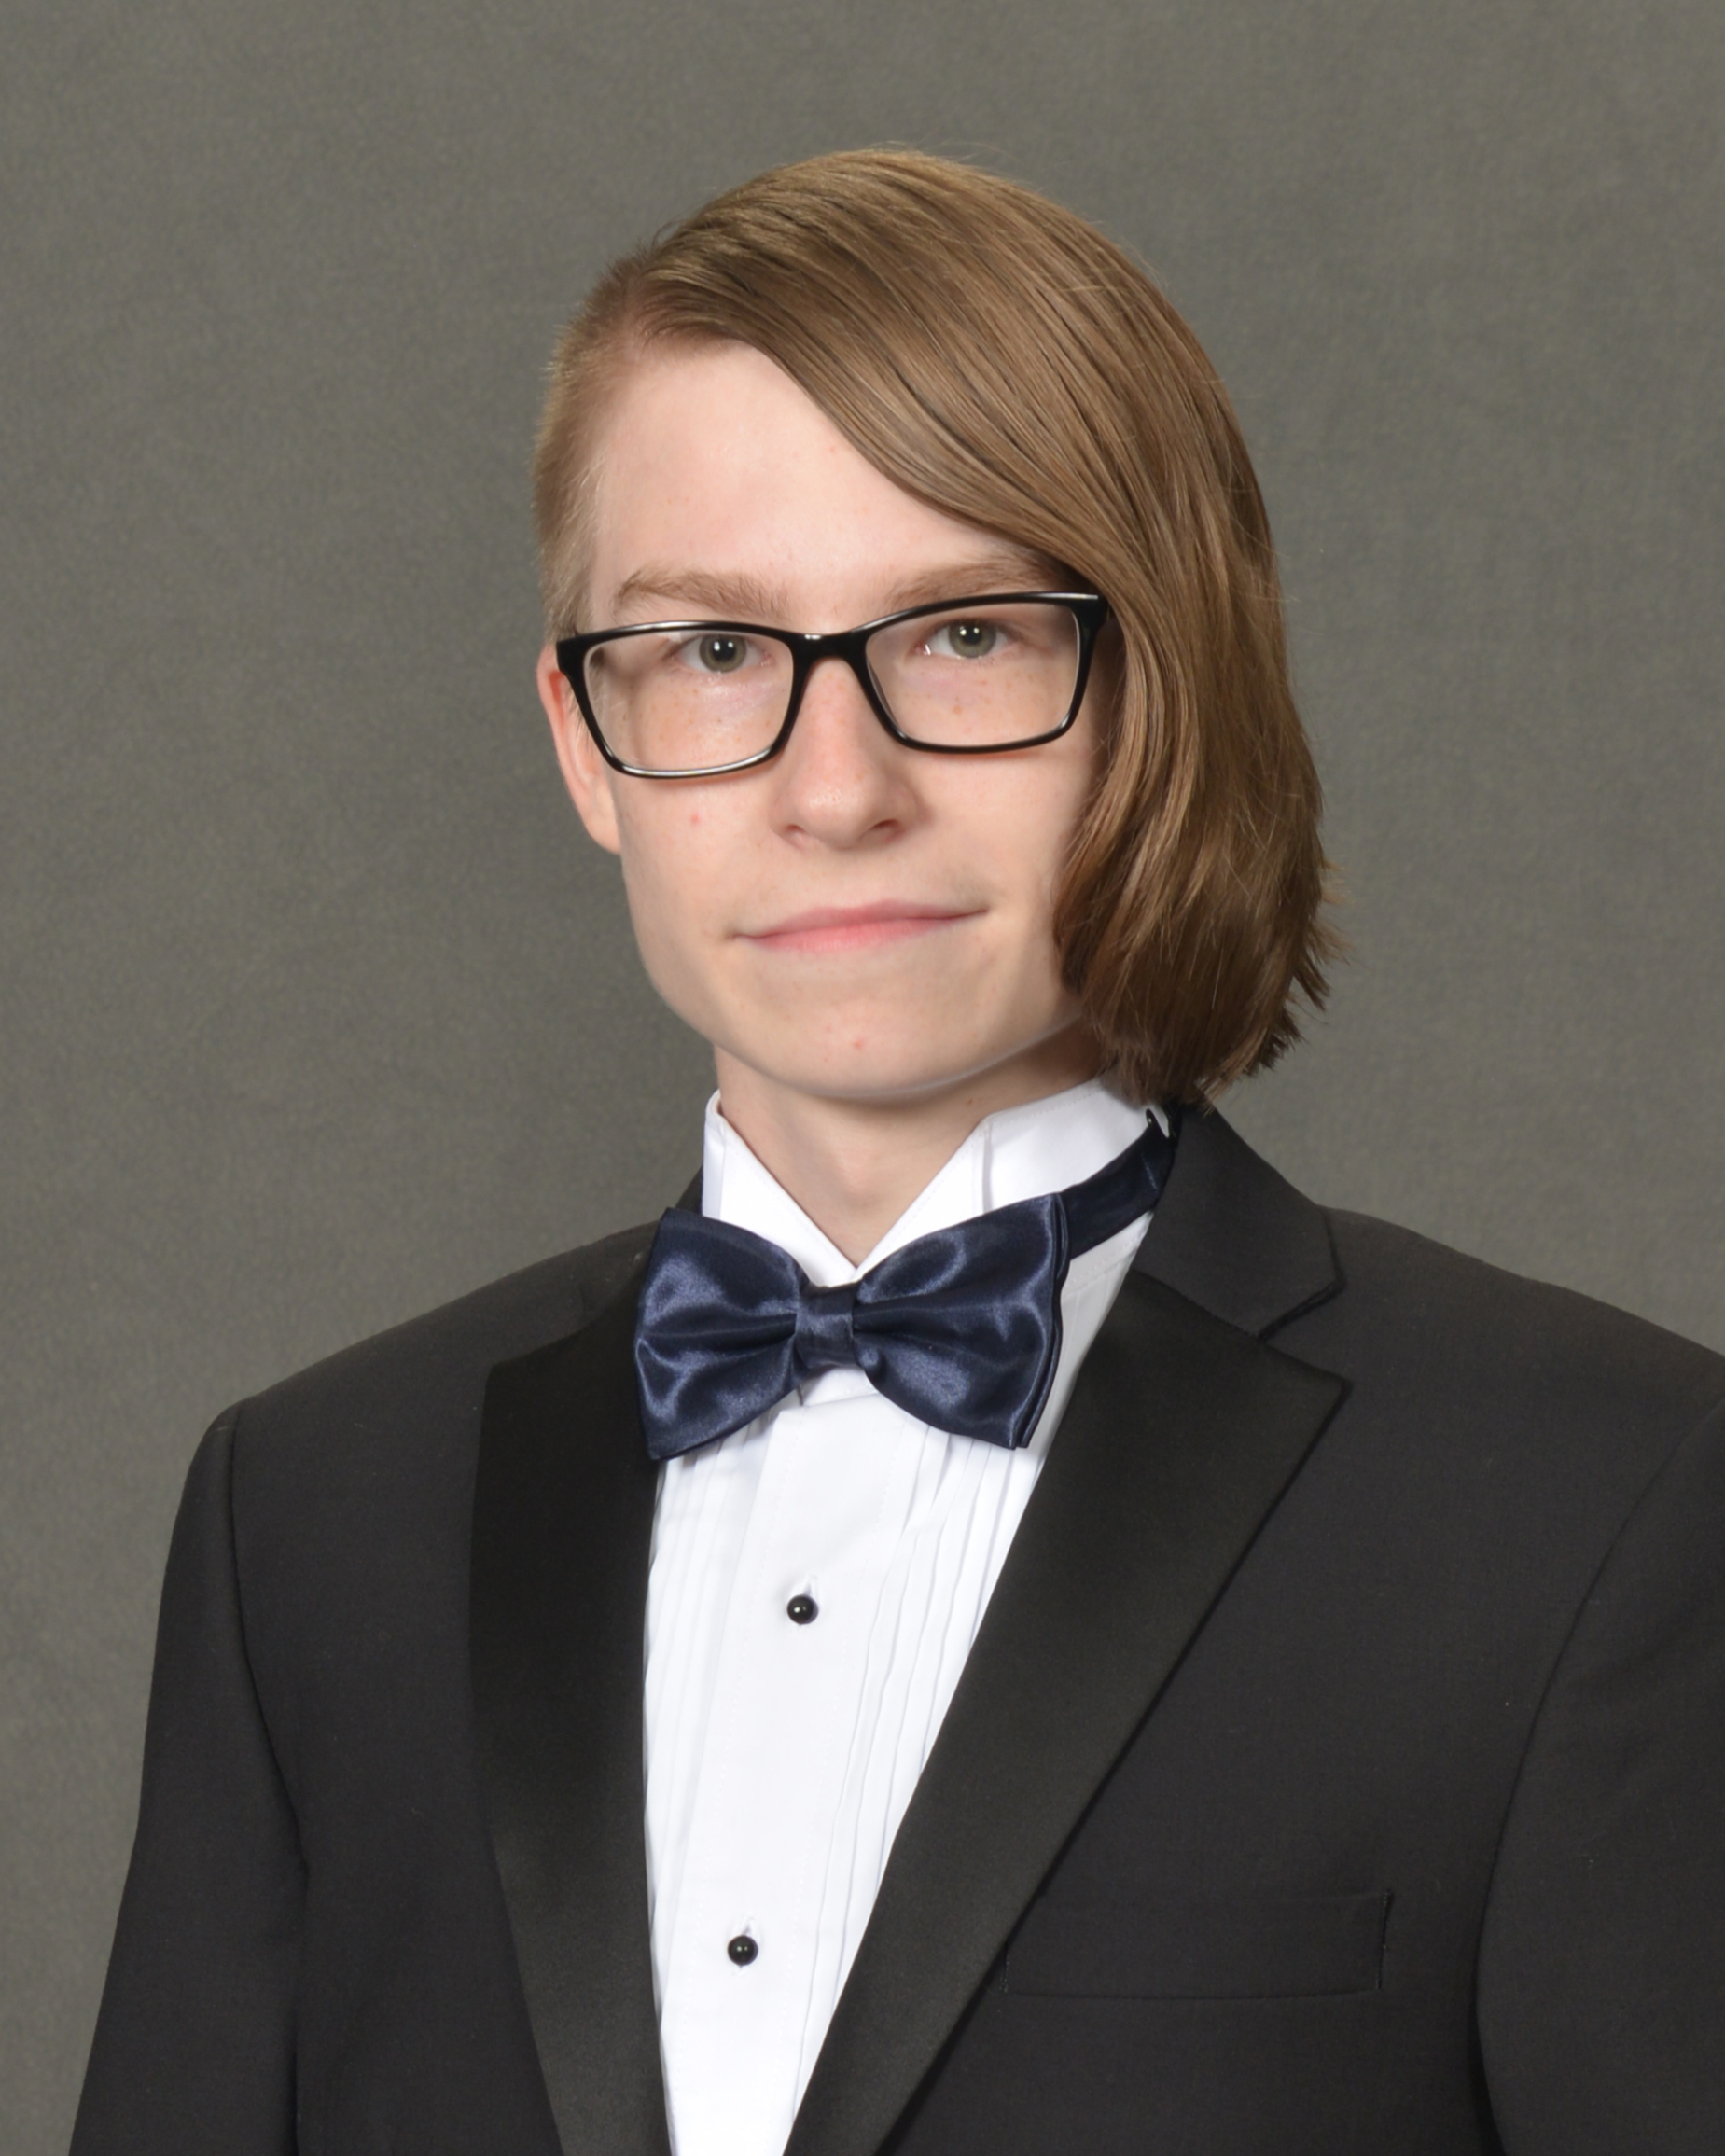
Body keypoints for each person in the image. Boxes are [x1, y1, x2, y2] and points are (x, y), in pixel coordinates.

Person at [72, 150, 1724, 2156]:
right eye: (710, 652)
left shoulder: (1605, 1501)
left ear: (1160, 693)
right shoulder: (311, 1515)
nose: (833, 789)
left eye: (963, 636)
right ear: (585, 745)